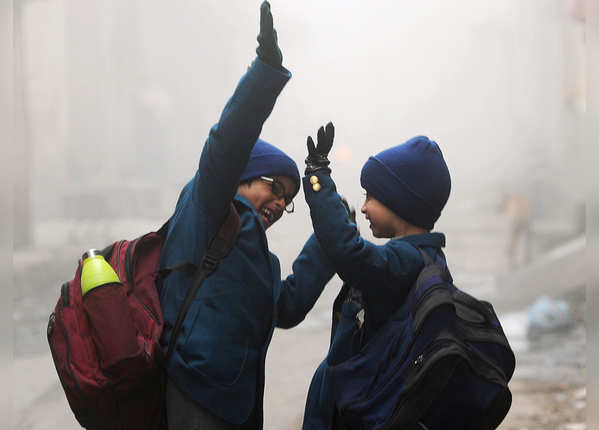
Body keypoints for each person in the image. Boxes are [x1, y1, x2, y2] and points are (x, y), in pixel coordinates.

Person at [158, 4, 334, 429]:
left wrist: (329, 237)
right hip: (195, 393)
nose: (279, 203)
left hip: (235, 405)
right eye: (275, 187)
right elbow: (227, 143)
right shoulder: (209, 206)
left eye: (287, 199)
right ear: (243, 175)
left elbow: (287, 307)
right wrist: (266, 73)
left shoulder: (258, 258)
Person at [300, 123, 452, 429]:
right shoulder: (423, 260)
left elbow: (350, 253)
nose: (365, 207)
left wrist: (318, 178)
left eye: (372, 196)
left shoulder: (405, 262)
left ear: (401, 203)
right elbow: (362, 258)